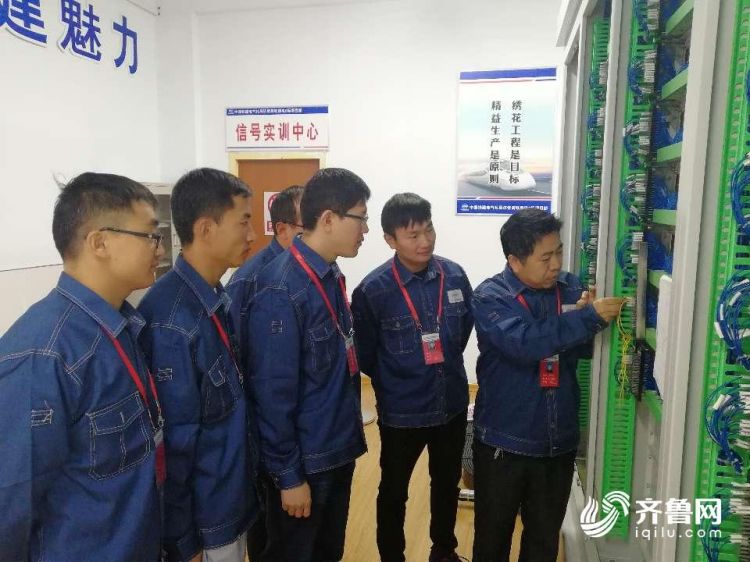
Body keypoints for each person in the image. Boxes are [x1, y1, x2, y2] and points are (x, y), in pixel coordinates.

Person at [0, 172, 164, 561]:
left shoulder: (120, 325)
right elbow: (11, 506)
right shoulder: (44, 354)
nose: (158, 249)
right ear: (99, 243)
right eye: (149, 236)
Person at [471, 208, 624, 562]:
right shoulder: (491, 297)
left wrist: (585, 321)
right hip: (504, 442)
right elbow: (525, 343)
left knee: (543, 543)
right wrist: (585, 320)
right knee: (492, 540)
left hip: (558, 443)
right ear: (515, 261)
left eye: (559, 252)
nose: (556, 264)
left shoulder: (571, 288)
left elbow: (584, 351)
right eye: (545, 257)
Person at [248, 168, 370, 562]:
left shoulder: (330, 273)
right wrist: (289, 477)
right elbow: (272, 394)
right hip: (306, 464)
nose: (365, 230)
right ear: (329, 219)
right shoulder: (281, 287)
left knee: (328, 552)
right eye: (360, 218)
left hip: (335, 448)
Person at [138, 168, 259, 562]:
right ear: (206, 228)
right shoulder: (172, 320)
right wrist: (183, 540)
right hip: (206, 523)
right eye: (243, 222)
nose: (252, 235)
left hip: (228, 499)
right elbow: (173, 446)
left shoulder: (214, 296)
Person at [351, 193, 473, 562]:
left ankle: (444, 551)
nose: (425, 241)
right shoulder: (373, 290)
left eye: (429, 230)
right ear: (390, 240)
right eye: (413, 235)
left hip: (451, 404)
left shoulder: (454, 275)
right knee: (394, 490)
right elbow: (366, 355)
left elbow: (462, 332)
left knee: (446, 483)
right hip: (402, 411)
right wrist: (399, 379)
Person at [226, 184, 304, 561]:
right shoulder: (253, 279)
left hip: (298, 425)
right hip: (266, 429)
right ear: (284, 230)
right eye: (309, 226)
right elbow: (246, 366)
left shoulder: (316, 270)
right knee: (271, 530)